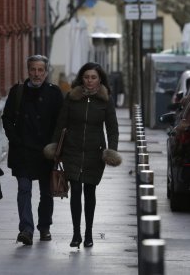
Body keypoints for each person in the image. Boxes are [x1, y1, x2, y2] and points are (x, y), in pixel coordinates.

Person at [44, 62, 121, 248]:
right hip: (72, 151)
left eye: (93, 77)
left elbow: (112, 128)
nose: (89, 81)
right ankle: (76, 233)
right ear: (82, 78)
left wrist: (111, 150)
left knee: (90, 192)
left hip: (95, 153)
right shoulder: (71, 98)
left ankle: (89, 233)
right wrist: (55, 147)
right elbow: (61, 123)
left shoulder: (106, 100)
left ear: (99, 79)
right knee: (76, 190)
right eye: (86, 77)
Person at [2, 55, 64, 245]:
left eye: (40, 70)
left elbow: (61, 123)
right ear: (27, 71)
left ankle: (44, 227)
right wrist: (15, 139)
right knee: (24, 190)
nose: (36, 74)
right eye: (33, 70)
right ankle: (26, 230)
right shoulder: (17, 91)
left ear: (46, 72)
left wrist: (55, 147)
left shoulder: (55, 93)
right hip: (23, 152)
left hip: (46, 153)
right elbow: (7, 118)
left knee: (46, 193)